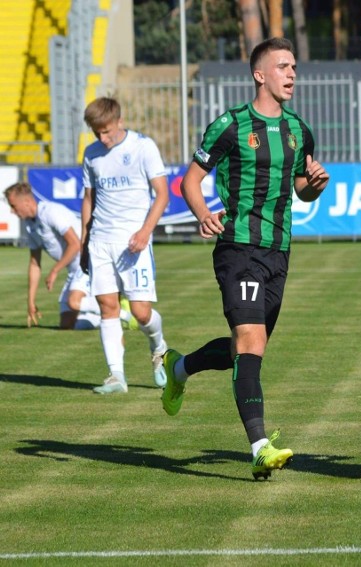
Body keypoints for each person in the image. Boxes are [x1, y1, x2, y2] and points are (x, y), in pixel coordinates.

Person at [160, 37, 330, 480]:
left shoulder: (298, 130)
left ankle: (178, 368)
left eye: (294, 67)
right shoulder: (231, 125)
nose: (292, 74)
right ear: (260, 74)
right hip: (238, 248)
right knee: (250, 341)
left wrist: (315, 182)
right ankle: (259, 447)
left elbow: (302, 191)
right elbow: (190, 181)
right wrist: (202, 214)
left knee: (244, 350)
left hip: (279, 252)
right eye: (282, 67)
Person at [81, 97, 170, 394]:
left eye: (106, 131)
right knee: (107, 307)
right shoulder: (91, 154)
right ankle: (116, 376)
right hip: (100, 241)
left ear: (119, 121)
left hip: (133, 242)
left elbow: (162, 194)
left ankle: (159, 349)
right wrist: (84, 240)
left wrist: (145, 231)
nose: (102, 139)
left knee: (141, 313)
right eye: (97, 133)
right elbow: (89, 199)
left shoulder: (143, 147)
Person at [4, 182, 102, 330]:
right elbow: (34, 264)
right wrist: (30, 301)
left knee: (74, 302)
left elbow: (75, 244)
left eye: (13, 206)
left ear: (26, 202)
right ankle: (103, 318)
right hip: (73, 269)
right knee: (66, 325)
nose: (12, 211)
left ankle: (120, 312)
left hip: (88, 263)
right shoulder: (29, 225)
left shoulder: (50, 212)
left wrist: (55, 270)